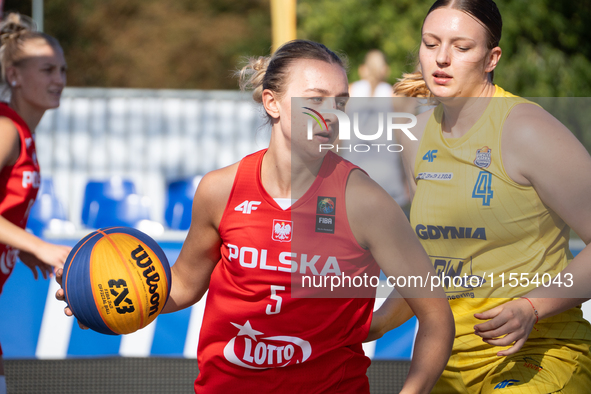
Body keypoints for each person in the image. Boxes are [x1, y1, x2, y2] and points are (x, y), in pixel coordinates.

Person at [57, 39, 454, 393]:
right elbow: (184, 283)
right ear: (272, 102)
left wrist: (383, 331)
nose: (331, 115)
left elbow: (436, 318)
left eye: (341, 102)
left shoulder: (365, 202)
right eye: (315, 99)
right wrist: (108, 294)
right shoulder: (220, 189)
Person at [391, 0, 591, 392]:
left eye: (462, 47)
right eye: (431, 44)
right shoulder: (413, 135)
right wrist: (371, 325)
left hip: (539, 355)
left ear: (491, 58)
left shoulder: (528, 129)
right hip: (446, 361)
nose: (442, 58)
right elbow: (432, 266)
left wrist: (532, 307)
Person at [0, 12, 71, 394]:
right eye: (47, 70)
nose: (59, 80)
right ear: (14, 75)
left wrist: (17, 240)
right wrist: (39, 245)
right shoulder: (6, 128)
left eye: (62, 69)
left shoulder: (21, 134)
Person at [342, 49, 409, 209]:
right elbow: (403, 139)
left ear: (362, 69)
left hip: (367, 176)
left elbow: (336, 137)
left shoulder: (350, 92)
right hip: (377, 176)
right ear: (385, 70)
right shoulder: (394, 96)